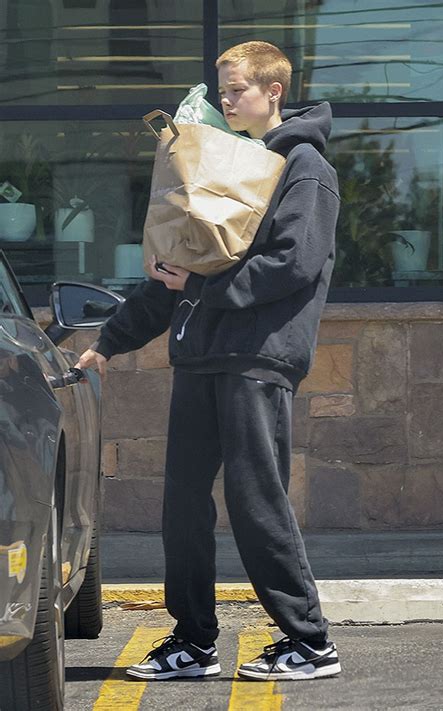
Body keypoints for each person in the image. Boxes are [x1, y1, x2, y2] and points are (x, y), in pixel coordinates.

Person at [77, 40, 341, 682]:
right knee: (183, 504)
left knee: (258, 501)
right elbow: (185, 269)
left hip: (256, 358)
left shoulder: (305, 167)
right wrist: (108, 342)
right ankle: (193, 640)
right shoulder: (226, 161)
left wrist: (193, 287)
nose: (225, 100)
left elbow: (293, 265)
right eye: (220, 91)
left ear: (272, 91)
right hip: (201, 356)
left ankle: (309, 642)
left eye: (236, 90)